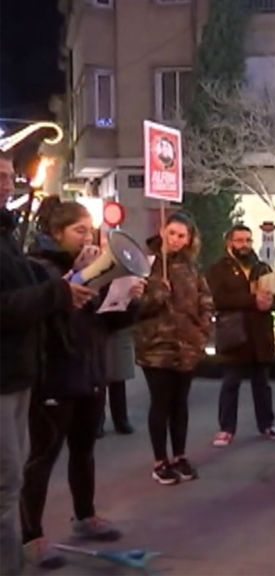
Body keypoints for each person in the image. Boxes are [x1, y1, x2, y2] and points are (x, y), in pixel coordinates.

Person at [20, 202, 145, 568]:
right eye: (78, 230)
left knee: (84, 449)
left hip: (89, 372)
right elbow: (45, 315)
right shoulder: (39, 269)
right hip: (55, 376)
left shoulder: (97, 269)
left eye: (89, 230)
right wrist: (75, 278)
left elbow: (108, 321)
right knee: (42, 457)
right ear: (57, 234)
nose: (86, 237)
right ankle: (32, 535)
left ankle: (85, 514)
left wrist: (130, 301)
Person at [0, 152, 96, 574]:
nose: (6, 183)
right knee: (9, 482)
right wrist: (59, 292)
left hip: (22, 373)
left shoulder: (8, 237)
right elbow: (7, 307)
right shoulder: (27, 250)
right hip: (10, 375)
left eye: (7, 175)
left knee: (12, 477)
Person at [135, 212, 214, 486]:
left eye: (182, 236)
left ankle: (179, 455)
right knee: (161, 403)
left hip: (187, 345)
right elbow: (134, 306)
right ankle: (160, 461)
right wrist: (158, 294)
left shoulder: (191, 267)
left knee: (180, 404)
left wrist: (203, 330)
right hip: (156, 345)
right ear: (162, 232)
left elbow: (205, 299)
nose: (176, 240)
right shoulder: (146, 265)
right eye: (172, 234)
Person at [206, 224, 275, 448]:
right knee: (231, 383)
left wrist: (272, 302)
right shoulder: (218, 270)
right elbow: (217, 300)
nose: (245, 245)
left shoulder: (262, 268)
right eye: (240, 240)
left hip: (260, 335)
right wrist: (252, 301)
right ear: (229, 243)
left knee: (262, 384)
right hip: (234, 334)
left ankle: (267, 424)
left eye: (248, 240)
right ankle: (226, 429)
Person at [97, 328, 135, 437]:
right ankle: (97, 420)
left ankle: (121, 419)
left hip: (118, 324)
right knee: (99, 376)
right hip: (96, 323)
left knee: (118, 373)